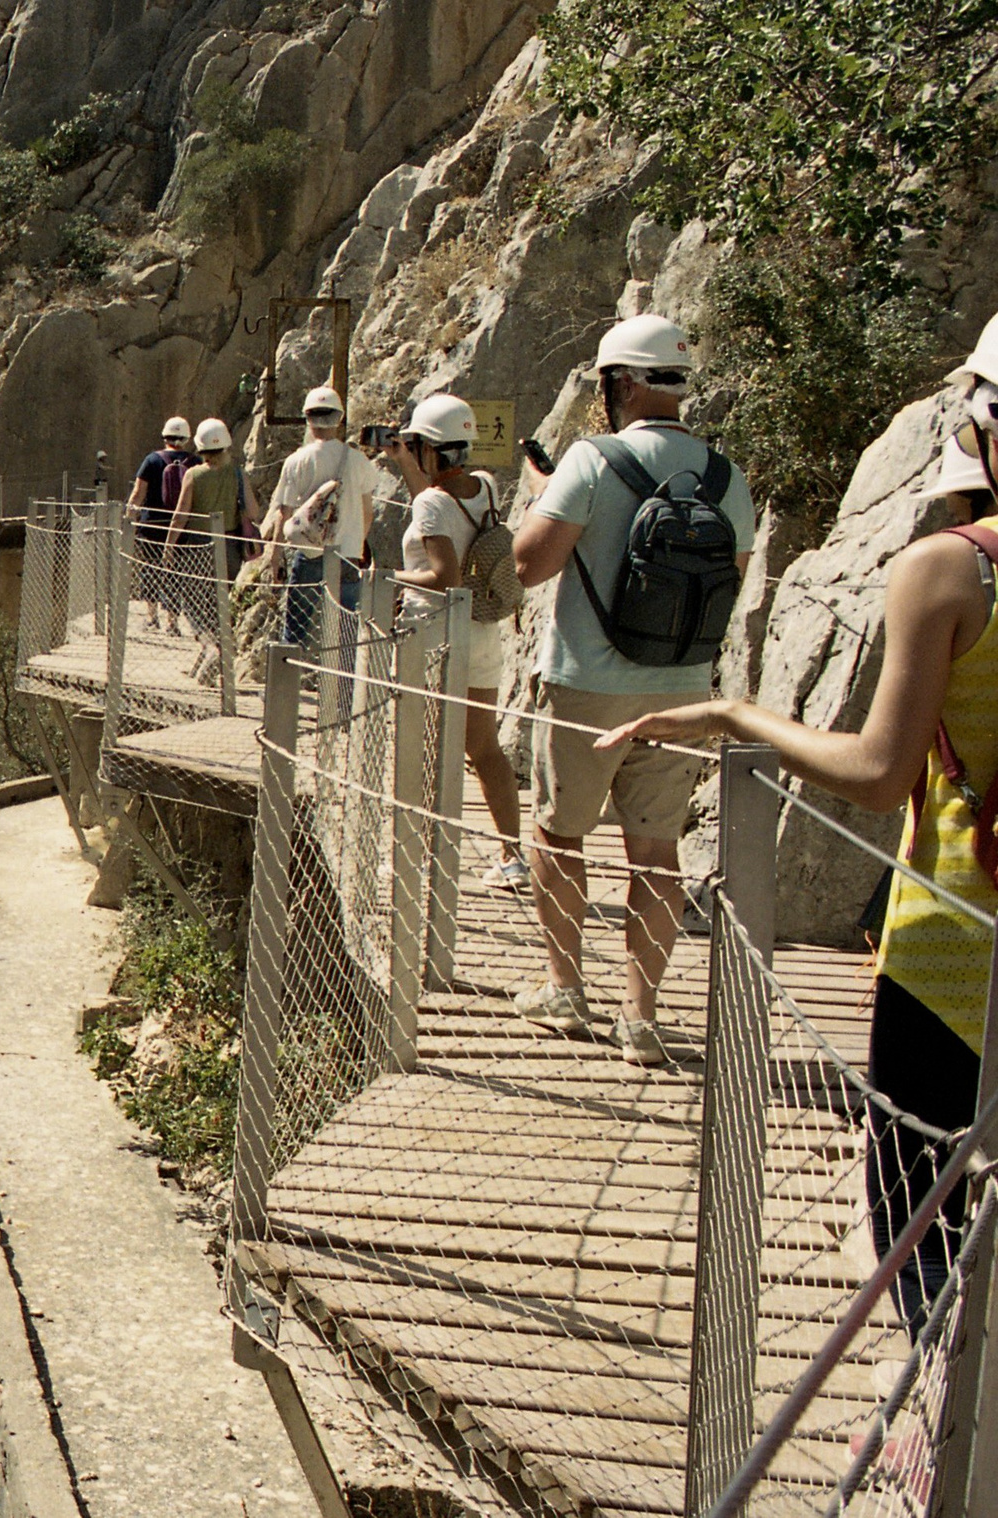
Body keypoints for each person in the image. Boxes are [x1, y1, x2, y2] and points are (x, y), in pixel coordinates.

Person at [597, 315, 998, 1332]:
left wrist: (736, 715)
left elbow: (875, 773)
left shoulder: (952, 570)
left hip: (955, 944)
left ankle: (935, 1431)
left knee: (928, 1217)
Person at [511, 314, 757, 1065]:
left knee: (559, 832)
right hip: (681, 691)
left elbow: (528, 565)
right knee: (655, 851)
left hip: (588, 683)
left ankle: (565, 989)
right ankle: (641, 1019)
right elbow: (735, 579)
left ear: (619, 384)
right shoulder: (725, 476)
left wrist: (549, 495)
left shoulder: (591, 461)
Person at [385, 394, 527, 889]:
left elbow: (444, 577)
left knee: (428, 749)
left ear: (428, 447)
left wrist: (389, 577)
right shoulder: (484, 487)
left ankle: (425, 855)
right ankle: (512, 854)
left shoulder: (429, 504)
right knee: (484, 748)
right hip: (484, 631)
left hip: (436, 635)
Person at [266, 386, 387, 645]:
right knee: (346, 629)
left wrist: (275, 556)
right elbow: (367, 511)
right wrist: (360, 542)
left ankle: (287, 678)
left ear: (308, 419)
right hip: (348, 552)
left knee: (297, 625)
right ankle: (343, 683)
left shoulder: (297, 460)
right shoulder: (357, 460)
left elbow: (283, 512)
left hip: (310, 550)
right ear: (340, 418)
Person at [164, 419, 262, 638]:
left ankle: (209, 646)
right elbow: (254, 511)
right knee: (222, 600)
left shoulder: (193, 475)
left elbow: (180, 516)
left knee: (195, 602)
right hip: (230, 546)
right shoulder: (237, 473)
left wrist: (169, 547)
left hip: (198, 547)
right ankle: (220, 645)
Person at [129, 417, 196, 632]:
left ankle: (151, 617)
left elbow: (138, 494)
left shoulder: (151, 460)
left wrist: (129, 518)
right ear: (186, 438)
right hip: (180, 526)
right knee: (175, 571)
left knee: (150, 570)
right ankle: (172, 622)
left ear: (165, 436)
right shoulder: (194, 463)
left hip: (152, 525)